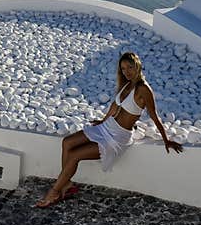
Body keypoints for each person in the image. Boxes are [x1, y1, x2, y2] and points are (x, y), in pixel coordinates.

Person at [35, 51, 183, 208]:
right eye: (123, 69)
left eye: (130, 67)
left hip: (118, 136)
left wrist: (166, 140)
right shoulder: (127, 84)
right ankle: (67, 184)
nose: (127, 72)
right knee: (67, 142)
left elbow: (154, 116)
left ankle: (54, 192)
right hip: (107, 127)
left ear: (138, 66)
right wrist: (102, 121)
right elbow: (114, 106)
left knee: (74, 155)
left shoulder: (143, 89)